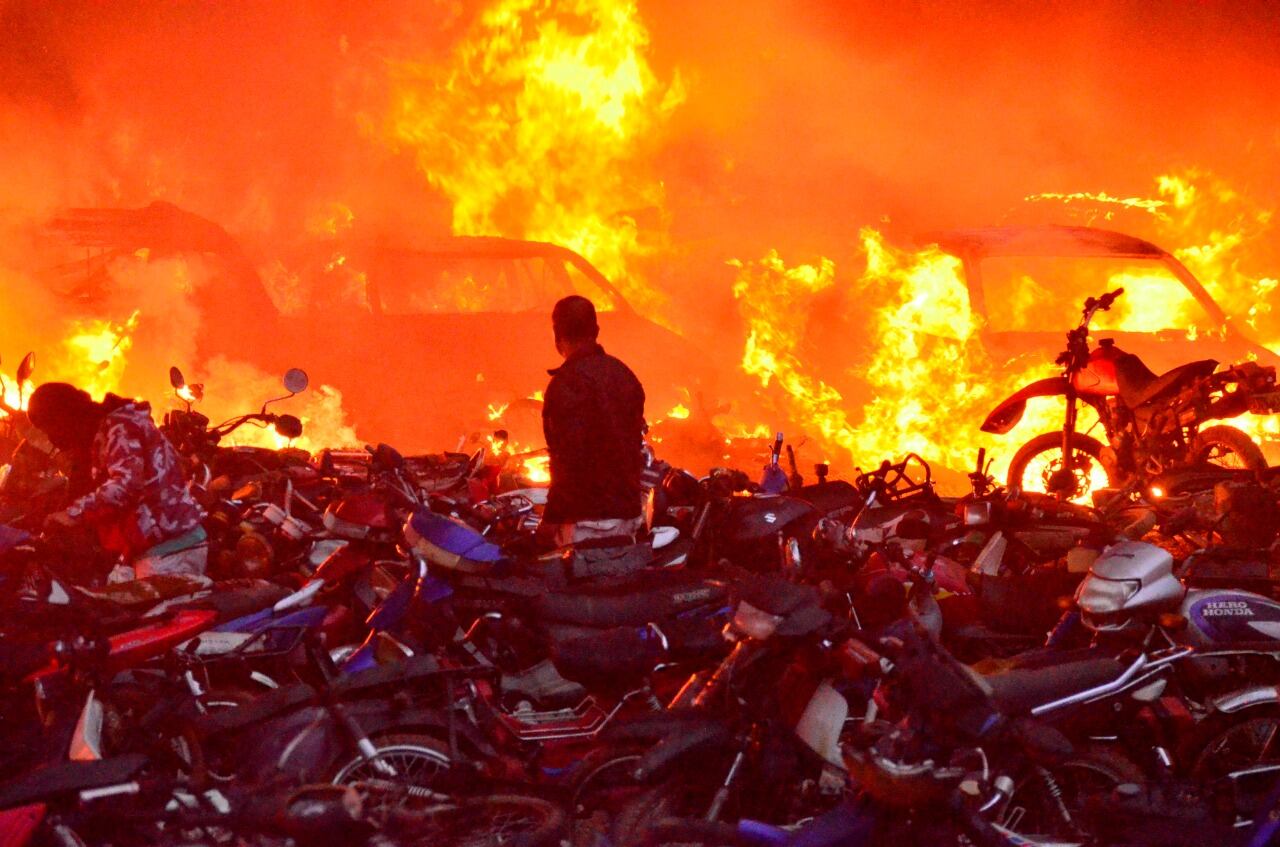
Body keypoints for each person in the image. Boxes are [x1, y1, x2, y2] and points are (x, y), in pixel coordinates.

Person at [27, 383, 207, 581]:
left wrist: (73, 514)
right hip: (144, 551)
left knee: (146, 611)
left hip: (170, 550)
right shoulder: (99, 435)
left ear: (63, 417)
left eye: (49, 428)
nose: (52, 438)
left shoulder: (120, 428)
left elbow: (126, 486)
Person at [541, 295, 646, 547]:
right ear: (596, 331)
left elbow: (568, 461)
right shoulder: (625, 375)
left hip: (585, 523)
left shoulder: (565, 385)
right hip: (629, 514)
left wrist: (550, 520)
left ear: (557, 336)